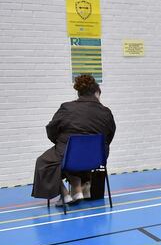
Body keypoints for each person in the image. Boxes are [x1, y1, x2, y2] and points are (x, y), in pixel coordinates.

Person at [32, 75, 116, 205]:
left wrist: (60, 142)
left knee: (43, 162)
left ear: (78, 93)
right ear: (96, 93)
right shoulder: (106, 112)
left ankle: (64, 194)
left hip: (69, 154)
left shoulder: (67, 108)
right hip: (97, 158)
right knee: (73, 157)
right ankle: (80, 187)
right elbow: (110, 135)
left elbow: (51, 130)